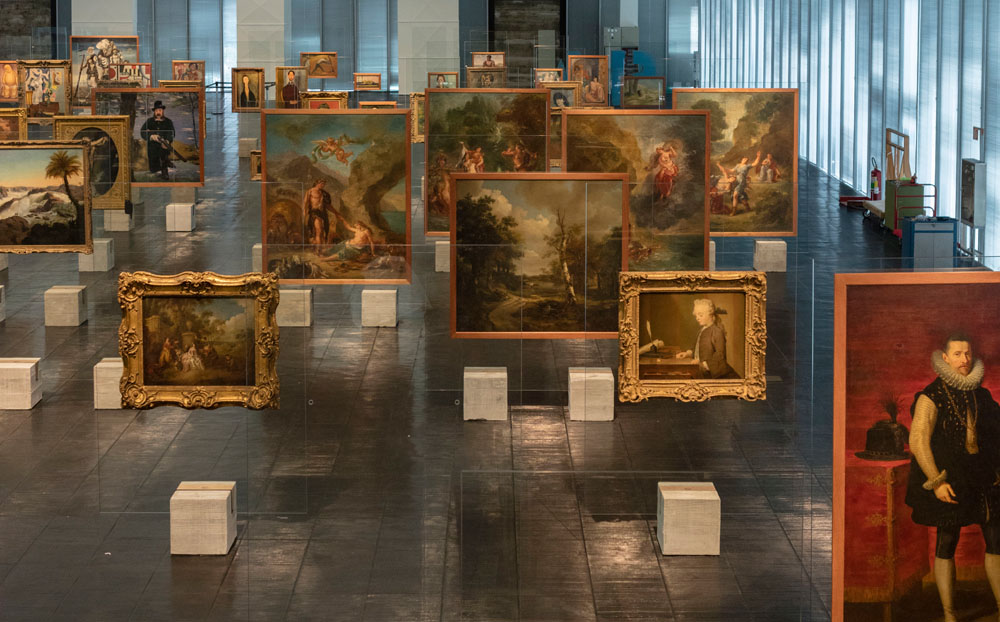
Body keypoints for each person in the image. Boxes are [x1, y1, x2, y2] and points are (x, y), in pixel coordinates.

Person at [905, 335, 1000, 622]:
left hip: (983, 478)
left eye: (968, 354)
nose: (964, 359)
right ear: (944, 358)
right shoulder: (930, 396)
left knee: (996, 540)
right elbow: (918, 441)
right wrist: (936, 481)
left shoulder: (981, 395)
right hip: (950, 479)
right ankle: (949, 614)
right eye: (957, 354)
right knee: (946, 543)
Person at [675, 298, 737, 379]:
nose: (697, 318)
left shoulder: (717, 331)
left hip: (715, 374)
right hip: (700, 370)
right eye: (696, 315)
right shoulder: (701, 331)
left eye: (700, 315)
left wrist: (703, 364)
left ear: (710, 315)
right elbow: (697, 349)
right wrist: (687, 354)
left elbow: (720, 355)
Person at [139, 100, 175, 180]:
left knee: (164, 162)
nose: (158, 112)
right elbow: (142, 132)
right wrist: (151, 136)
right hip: (152, 148)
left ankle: (165, 168)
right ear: (154, 112)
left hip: (164, 147)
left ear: (163, 111)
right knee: (153, 170)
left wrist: (167, 141)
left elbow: (172, 133)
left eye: (160, 110)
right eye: (157, 110)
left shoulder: (168, 122)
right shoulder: (149, 121)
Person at [302, 179, 335, 245]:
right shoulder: (310, 191)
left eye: (324, 184)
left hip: (323, 213)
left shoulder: (324, 193)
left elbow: (327, 204)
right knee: (318, 230)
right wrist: (304, 211)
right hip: (314, 212)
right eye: (322, 184)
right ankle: (318, 248)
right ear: (317, 183)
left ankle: (320, 247)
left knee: (323, 231)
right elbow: (305, 202)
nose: (323, 185)